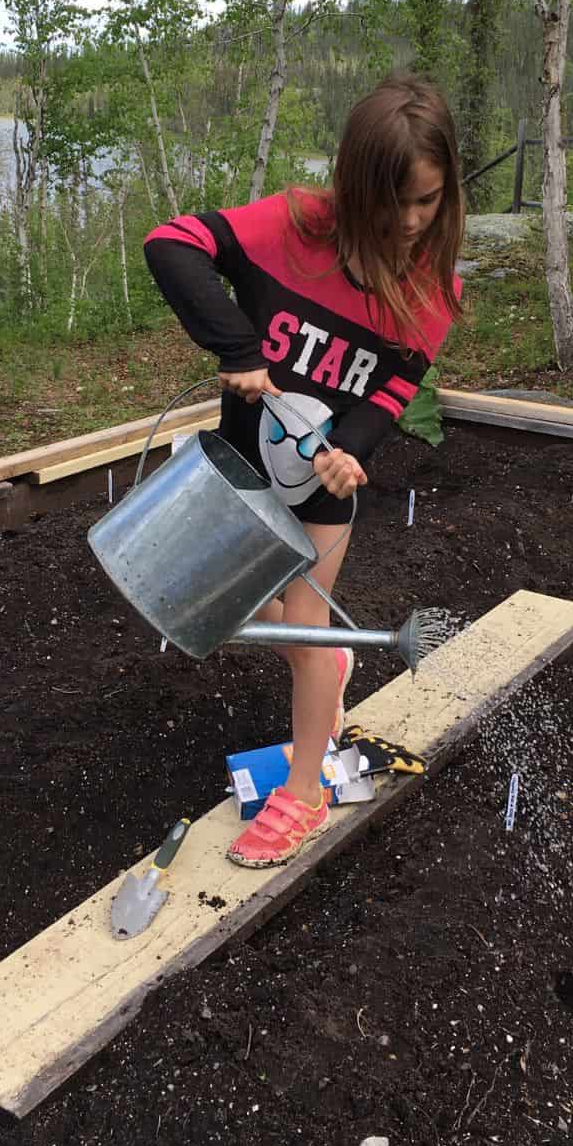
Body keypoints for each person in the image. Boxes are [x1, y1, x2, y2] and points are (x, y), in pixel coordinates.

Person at [143, 74, 464, 868]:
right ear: (354, 189)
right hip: (240, 469)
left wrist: (354, 449)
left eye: (429, 201)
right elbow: (171, 244)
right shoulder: (292, 227)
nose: (414, 223)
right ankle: (327, 665)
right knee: (264, 618)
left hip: (323, 487)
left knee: (307, 630)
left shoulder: (433, 285)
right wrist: (240, 351)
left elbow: (392, 387)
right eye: (396, 205)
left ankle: (304, 791)